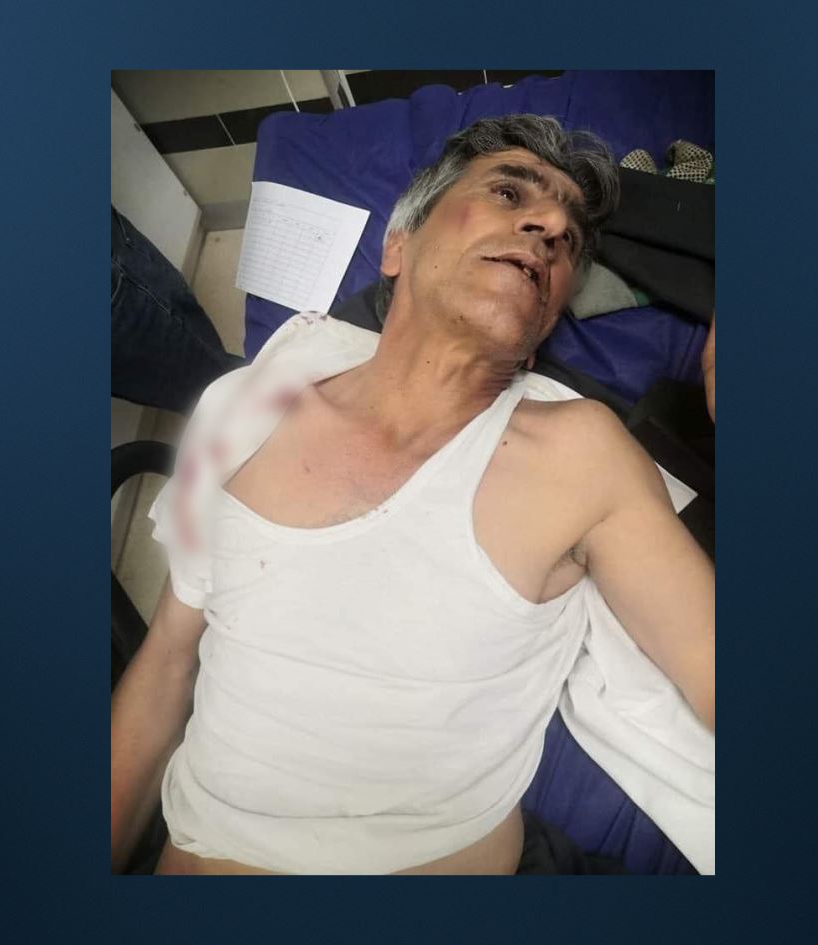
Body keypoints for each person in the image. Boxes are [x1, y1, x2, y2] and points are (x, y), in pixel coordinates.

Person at [110, 115, 715, 875]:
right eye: (509, 192)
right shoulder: (243, 409)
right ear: (397, 246)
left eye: (567, 242)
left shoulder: (579, 455)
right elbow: (167, 663)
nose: (551, 229)